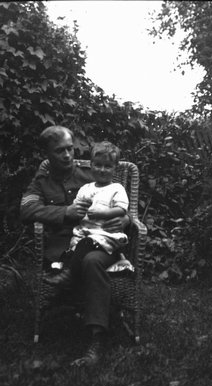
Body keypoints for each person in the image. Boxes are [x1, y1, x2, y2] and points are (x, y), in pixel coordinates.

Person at [20, 126, 130, 367]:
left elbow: (119, 204)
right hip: (62, 246)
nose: (68, 155)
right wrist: (64, 212)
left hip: (99, 241)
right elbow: (26, 209)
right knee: (87, 261)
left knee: (91, 261)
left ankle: (96, 339)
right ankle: (98, 325)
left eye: (70, 149)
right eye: (60, 151)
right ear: (47, 153)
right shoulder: (41, 183)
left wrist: (124, 220)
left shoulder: (90, 175)